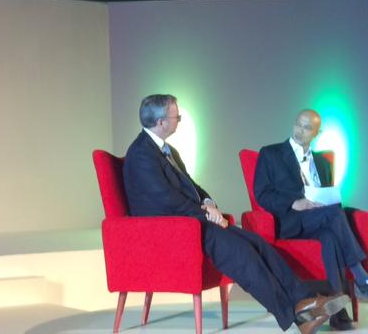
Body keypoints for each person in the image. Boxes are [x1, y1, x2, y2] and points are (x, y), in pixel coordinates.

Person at [124, 94, 349, 334]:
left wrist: (207, 202)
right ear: (160, 122)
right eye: (175, 116)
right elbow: (165, 199)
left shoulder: (169, 151)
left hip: (193, 222)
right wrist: (205, 213)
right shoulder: (141, 153)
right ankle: (296, 315)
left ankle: (305, 301)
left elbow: (192, 187)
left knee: (258, 244)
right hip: (172, 230)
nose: (178, 120)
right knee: (241, 255)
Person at [254, 109, 368, 330]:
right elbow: (262, 194)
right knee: (334, 215)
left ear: (317, 133)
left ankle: (338, 313)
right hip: (289, 221)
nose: (300, 131)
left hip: (319, 220)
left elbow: (327, 197)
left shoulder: (323, 162)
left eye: (307, 128)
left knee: (331, 237)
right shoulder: (271, 153)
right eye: (298, 124)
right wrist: (294, 203)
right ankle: (364, 280)